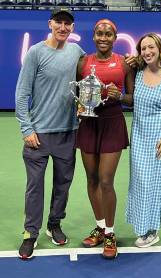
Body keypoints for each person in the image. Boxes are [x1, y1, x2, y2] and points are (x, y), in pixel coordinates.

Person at [15, 7, 85, 259]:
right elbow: (22, 93)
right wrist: (27, 128)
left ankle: (54, 224)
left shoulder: (77, 52)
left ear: (72, 28)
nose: (63, 27)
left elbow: (90, 78)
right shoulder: (35, 52)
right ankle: (30, 233)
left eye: (68, 23)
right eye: (59, 22)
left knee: (62, 185)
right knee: (35, 187)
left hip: (68, 132)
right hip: (39, 135)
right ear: (50, 24)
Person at [76, 19, 135, 259]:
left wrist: (119, 95)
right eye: (99, 33)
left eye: (108, 34)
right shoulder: (83, 62)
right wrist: (79, 106)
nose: (103, 37)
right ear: (93, 36)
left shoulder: (124, 63)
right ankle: (100, 227)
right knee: (91, 179)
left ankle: (110, 234)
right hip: (88, 123)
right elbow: (77, 92)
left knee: (106, 180)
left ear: (115, 37)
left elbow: (131, 98)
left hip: (112, 122)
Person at [126, 33, 161, 248]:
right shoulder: (137, 73)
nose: (147, 52)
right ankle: (142, 224)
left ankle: (152, 230)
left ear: (160, 50)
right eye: (143, 48)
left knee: (155, 183)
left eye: (151, 47)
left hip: (160, 138)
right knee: (140, 182)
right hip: (139, 136)